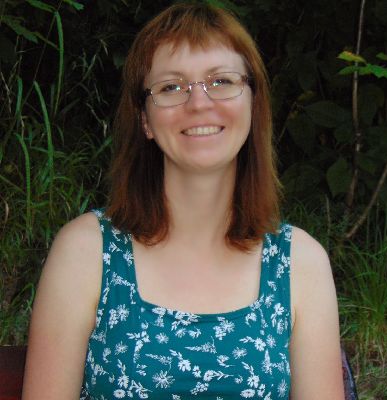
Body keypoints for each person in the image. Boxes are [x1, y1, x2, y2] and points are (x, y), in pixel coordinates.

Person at [22, 3, 344, 399]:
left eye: (221, 81)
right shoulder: (86, 253)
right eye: (171, 87)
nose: (198, 103)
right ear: (144, 119)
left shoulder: (299, 264)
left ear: (253, 103)